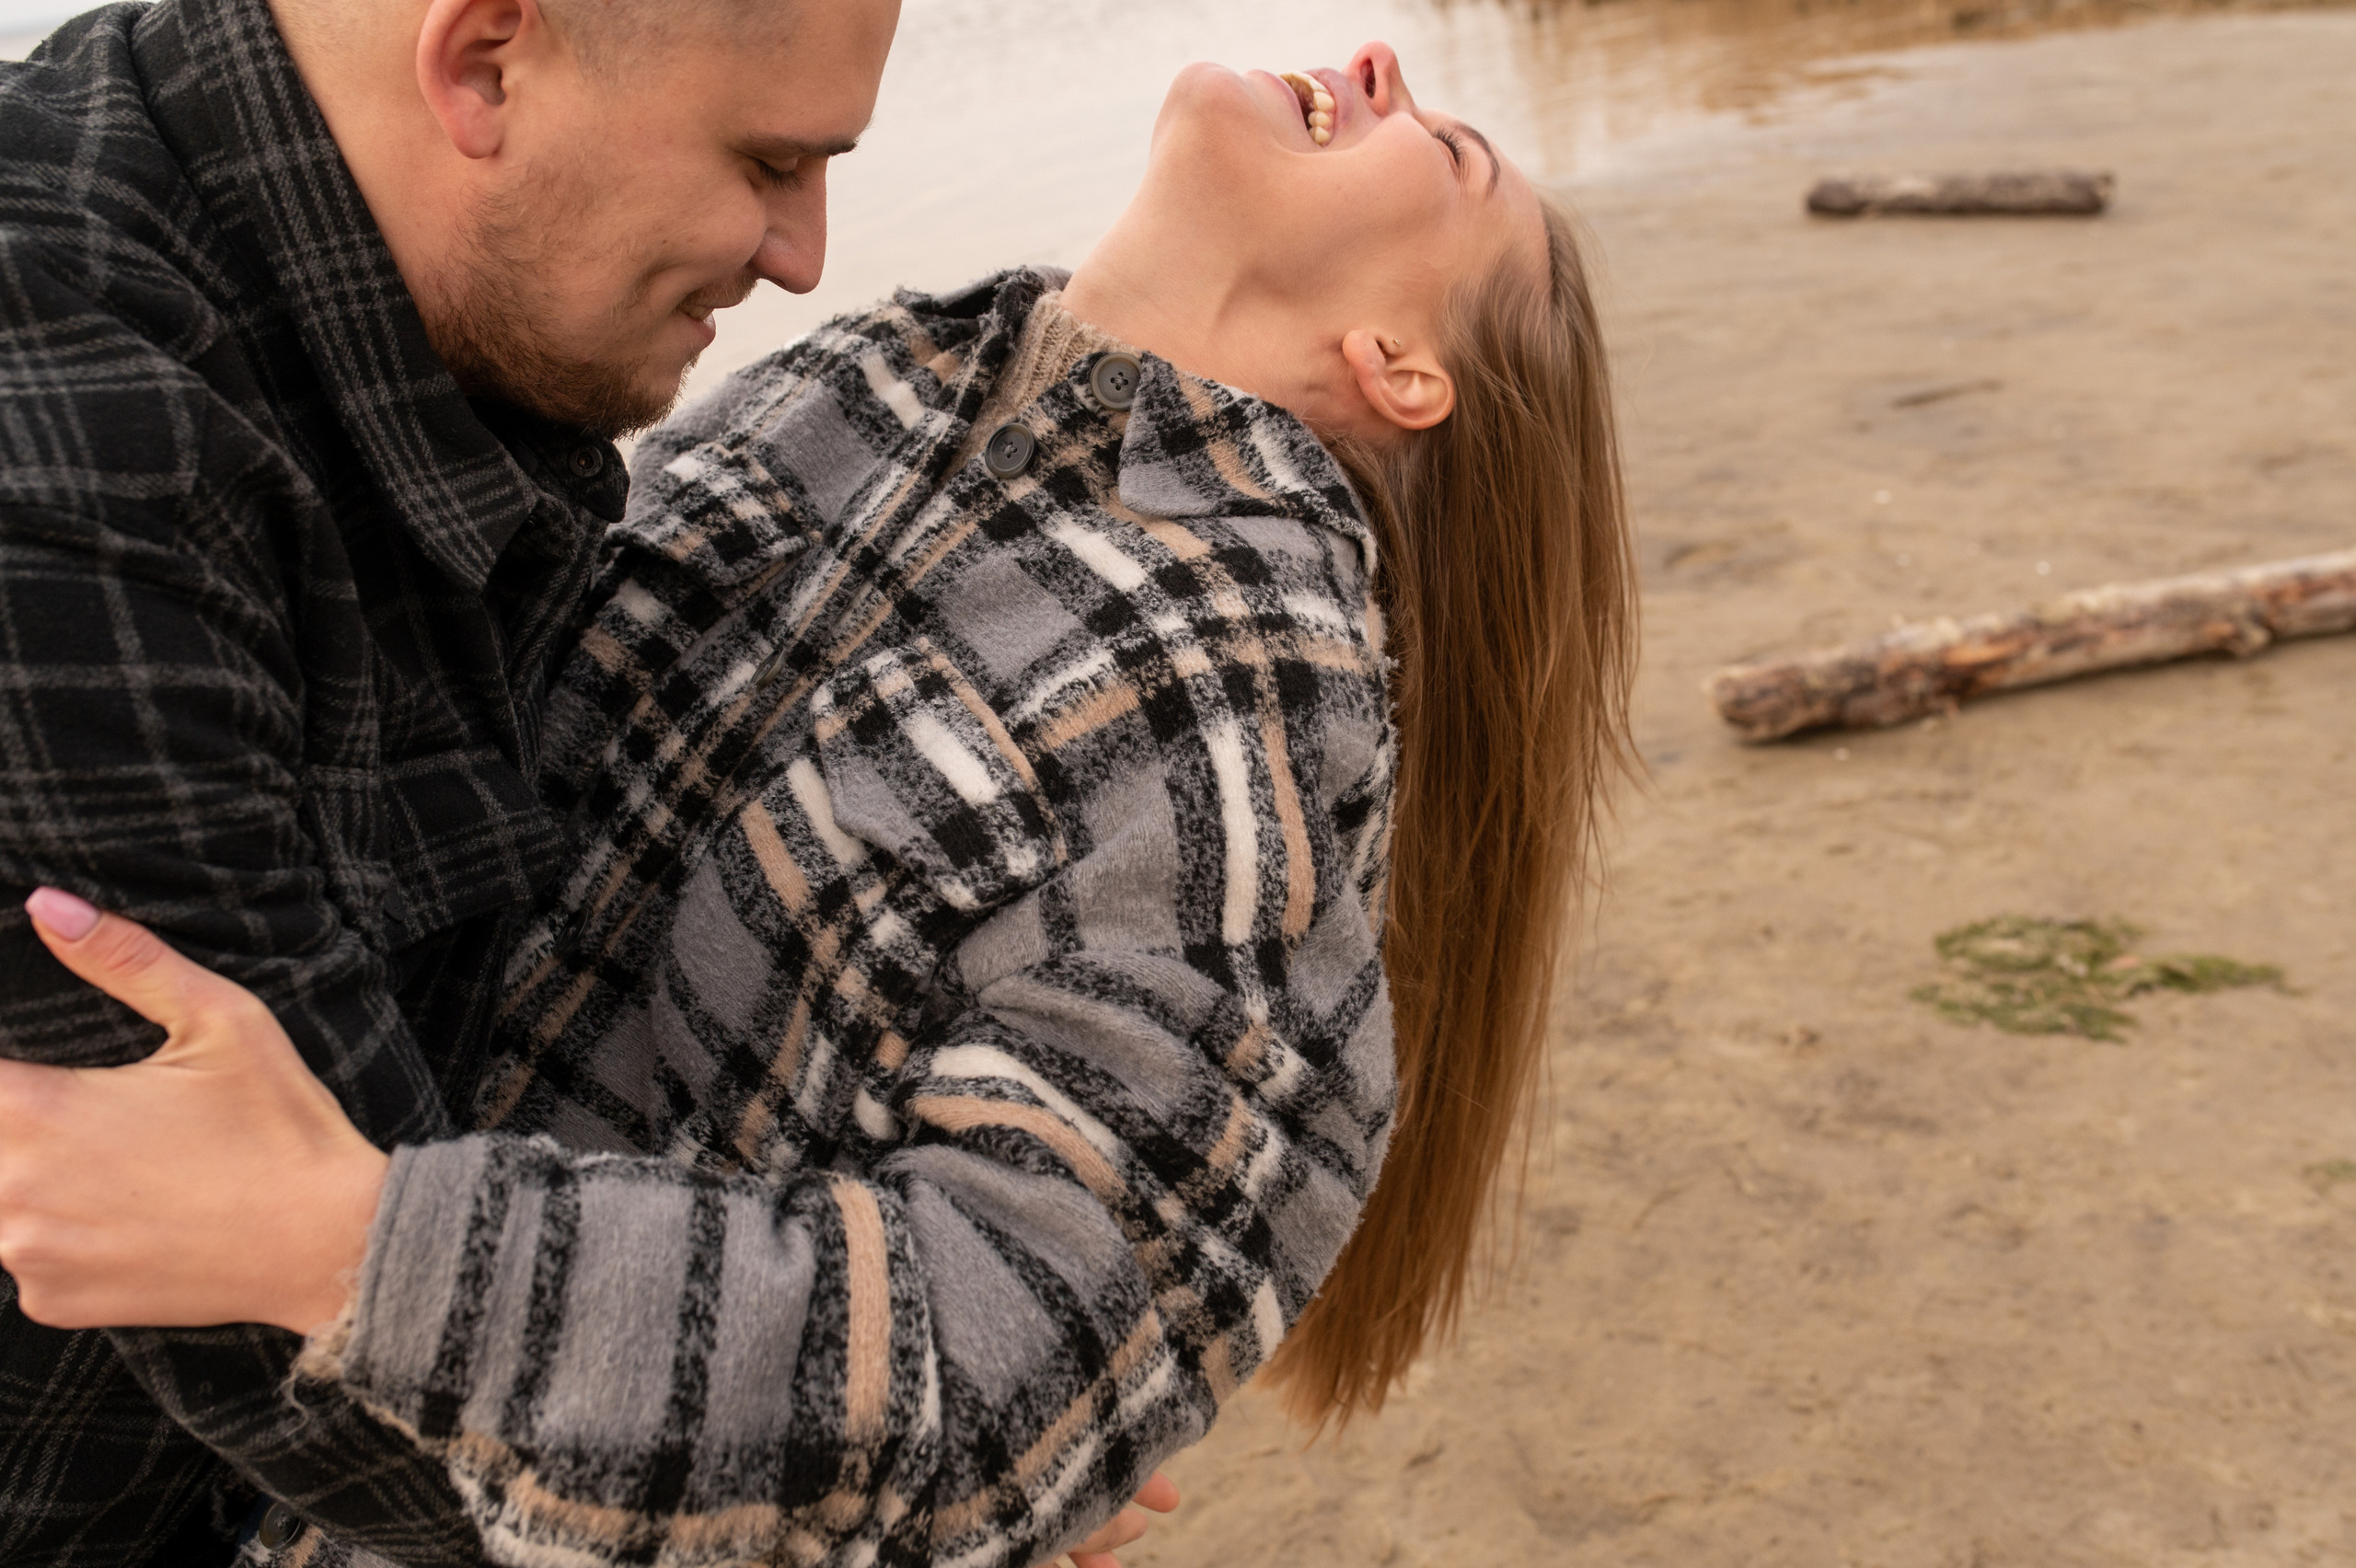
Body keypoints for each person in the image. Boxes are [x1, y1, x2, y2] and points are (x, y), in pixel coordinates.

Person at [0, 38, 1638, 1568]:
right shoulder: (860, 386)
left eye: (1459, 154)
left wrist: (356, 1248)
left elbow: (995, 1360)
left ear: (1400, 368)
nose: (1378, 65)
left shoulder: (1247, 686)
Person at [0, 0, 897, 1561]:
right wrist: (929, 1489)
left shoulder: (399, 306)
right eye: (766, 160)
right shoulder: (63, 450)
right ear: (483, 65)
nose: (806, 257)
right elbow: (343, 1360)